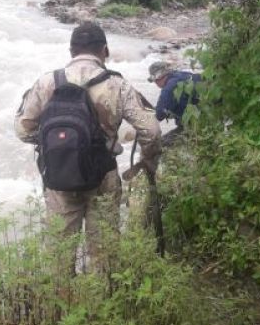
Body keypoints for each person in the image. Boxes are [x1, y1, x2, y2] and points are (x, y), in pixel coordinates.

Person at [15, 22, 161, 267]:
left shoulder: (46, 82)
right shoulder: (117, 84)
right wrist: (147, 161)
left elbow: (22, 130)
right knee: (104, 250)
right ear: (104, 50)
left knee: (59, 253)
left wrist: (55, 148)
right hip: (103, 175)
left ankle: (61, 300)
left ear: (71, 51)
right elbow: (152, 131)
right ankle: (103, 296)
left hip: (59, 177)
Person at [148, 61, 202, 139]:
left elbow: (159, 115)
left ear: (159, 77)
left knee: (161, 145)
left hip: (195, 125)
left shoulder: (169, 88)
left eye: (155, 80)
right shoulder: (182, 75)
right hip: (207, 116)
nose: (155, 83)